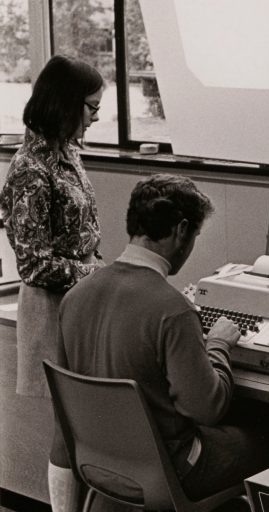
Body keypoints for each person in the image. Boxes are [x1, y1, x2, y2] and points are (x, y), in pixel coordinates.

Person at [53, 173, 269, 510]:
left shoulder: (75, 297)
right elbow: (206, 409)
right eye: (195, 236)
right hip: (169, 471)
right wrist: (218, 345)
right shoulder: (173, 309)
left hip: (98, 464)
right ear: (180, 231)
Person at [0, 54, 105, 511]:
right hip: (52, 310)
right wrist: (97, 273)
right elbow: (35, 266)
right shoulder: (29, 168)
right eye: (91, 107)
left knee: (86, 425)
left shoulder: (67, 154)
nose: (96, 117)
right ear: (66, 105)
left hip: (82, 302)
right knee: (69, 428)